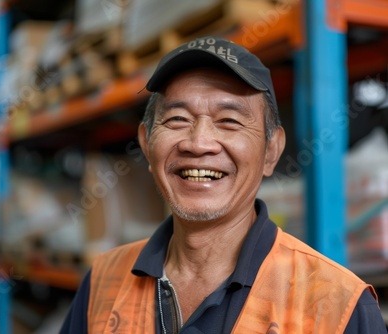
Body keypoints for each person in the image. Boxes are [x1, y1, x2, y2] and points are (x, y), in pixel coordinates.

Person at [61, 36, 386, 333]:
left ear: (271, 151)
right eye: (177, 119)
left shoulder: (340, 307)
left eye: (229, 121)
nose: (199, 143)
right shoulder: (103, 281)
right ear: (147, 145)